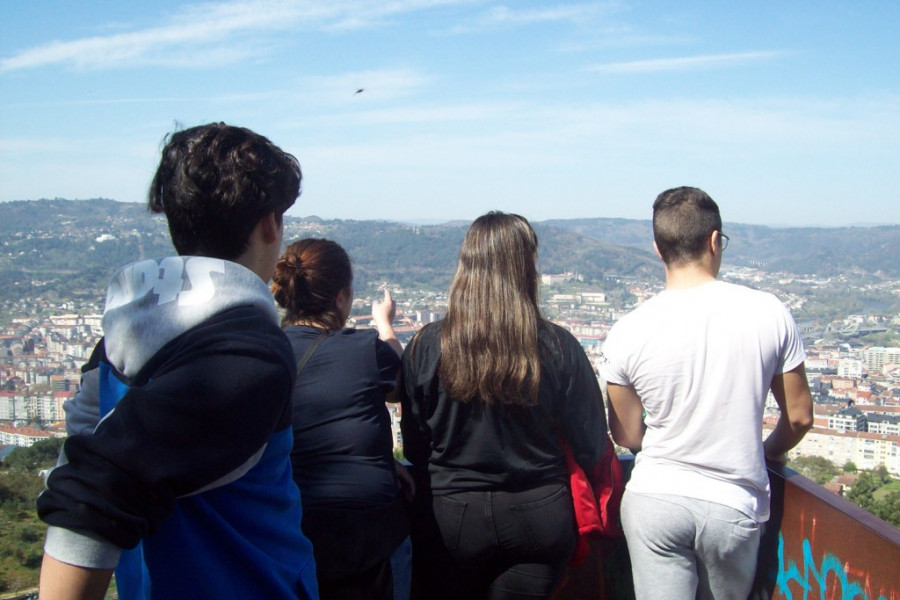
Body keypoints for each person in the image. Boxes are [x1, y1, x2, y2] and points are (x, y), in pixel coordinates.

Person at [36, 123, 319, 600]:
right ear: (270, 223)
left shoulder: (115, 340)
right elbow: (96, 489)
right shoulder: (250, 351)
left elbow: (87, 448)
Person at [599, 186, 814, 600]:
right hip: (732, 503)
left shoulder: (628, 329)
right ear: (715, 241)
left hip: (655, 497)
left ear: (658, 250)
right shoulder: (769, 312)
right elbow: (800, 416)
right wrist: (767, 451)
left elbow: (626, 435)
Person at [400, 211, 610, 600]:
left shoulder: (425, 346)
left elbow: (415, 448)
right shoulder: (559, 346)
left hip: (451, 515)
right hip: (541, 511)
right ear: (527, 267)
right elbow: (592, 443)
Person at [271, 238, 413, 600]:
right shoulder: (363, 349)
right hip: (370, 533)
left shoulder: (267, 350)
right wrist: (385, 324)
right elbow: (399, 386)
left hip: (292, 525)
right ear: (341, 297)